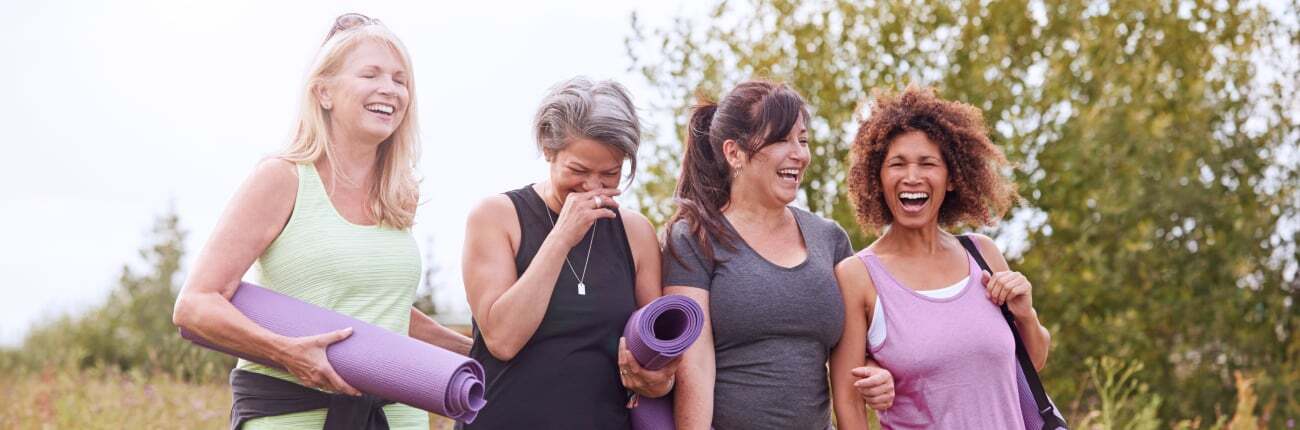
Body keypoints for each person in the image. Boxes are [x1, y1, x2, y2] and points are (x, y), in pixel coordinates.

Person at [172, 13, 471, 429]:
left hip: (396, 416)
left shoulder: (399, 193)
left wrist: (475, 352)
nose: (390, 89)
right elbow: (195, 305)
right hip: (292, 414)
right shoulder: (282, 177)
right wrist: (286, 351)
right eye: (371, 74)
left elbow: (383, 309)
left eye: (400, 80)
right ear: (324, 93)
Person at [663, 80, 893, 429]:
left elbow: (854, 359)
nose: (799, 154)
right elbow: (694, 367)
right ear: (734, 153)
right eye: (782, 140)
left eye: (802, 140)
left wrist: (877, 375)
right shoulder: (695, 238)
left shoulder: (830, 239)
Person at [459, 77, 675, 429]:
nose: (593, 187)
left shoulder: (635, 233)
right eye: (578, 171)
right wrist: (561, 238)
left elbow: (657, 355)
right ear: (548, 149)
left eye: (610, 174)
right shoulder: (495, 217)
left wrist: (658, 380)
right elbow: (502, 339)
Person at [830, 85, 1051, 428]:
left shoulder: (983, 254)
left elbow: (1030, 363)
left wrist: (1025, 314)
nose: (912, 177)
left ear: (951, 179)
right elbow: (847, 402)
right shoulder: (857, 276)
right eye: (897, 164)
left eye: (928, 163)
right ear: (878, 178)